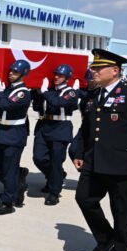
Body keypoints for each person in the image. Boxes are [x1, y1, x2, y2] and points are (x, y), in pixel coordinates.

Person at [73, 49, 127, 251]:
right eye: (93, 67)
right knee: (84, 199)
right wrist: (79, 152)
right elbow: (86, 129)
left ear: (115, 70)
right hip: (94, 162)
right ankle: (106, 238)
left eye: (98, 68)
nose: (93, 71)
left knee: (122, 211)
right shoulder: (93, 96)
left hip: (122, 164)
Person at [0, 60, 32, 215]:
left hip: (13, 134)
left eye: (14, 72)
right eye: (10, 71)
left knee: (9, 169)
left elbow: (6, 105)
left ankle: (8, 202)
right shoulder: (6, 90)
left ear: (23, 74)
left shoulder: (23, 93)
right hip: (0, 132)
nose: (10, 73)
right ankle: (16, 184)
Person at [31, 64, 79, 206]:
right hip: (44, 126)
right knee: (39, 157)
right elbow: (37, 107)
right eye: (56, 74)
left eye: (60, 75)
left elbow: (58, 102)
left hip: (60, 128)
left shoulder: (70, 92)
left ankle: (54, 192)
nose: (56, 77)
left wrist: (45, 92)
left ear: (67, 78)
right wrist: (37, 93)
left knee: (56, 161)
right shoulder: (50, 91)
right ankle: (55, 178)